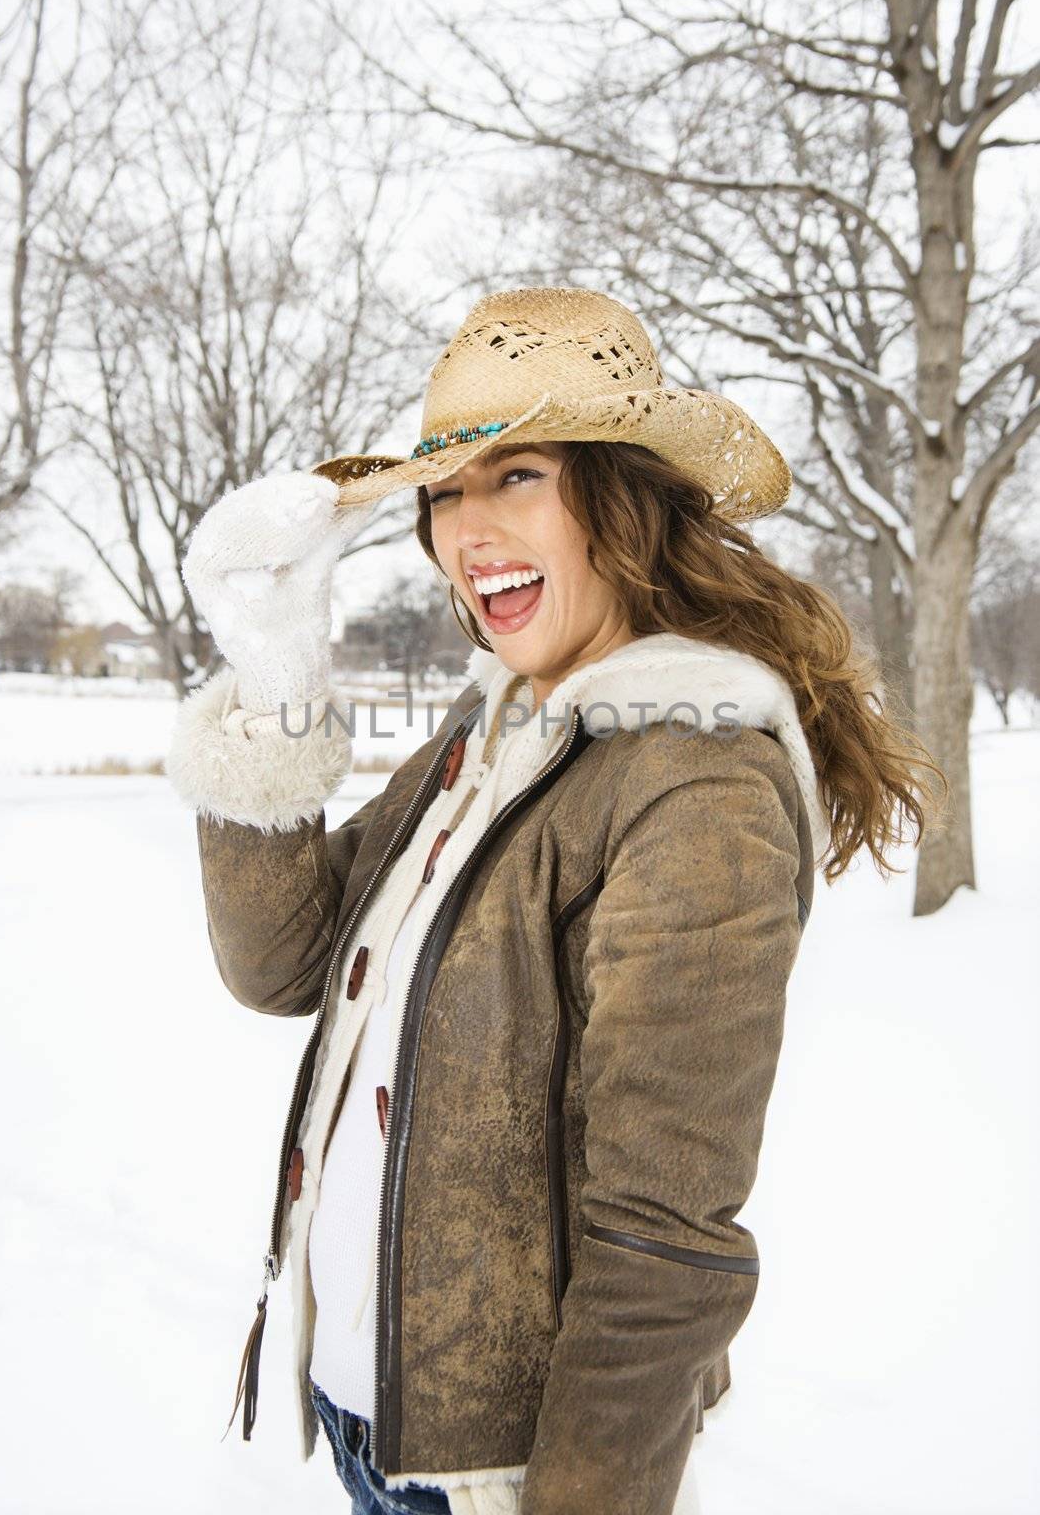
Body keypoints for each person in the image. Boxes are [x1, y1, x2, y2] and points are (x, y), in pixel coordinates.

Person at [166, 287, 943, 1515]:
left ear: (618, 496)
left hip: (499, 1479)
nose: (466, 529)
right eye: (443, 489)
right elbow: (284, 963)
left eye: (515, 474)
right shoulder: (499, 723)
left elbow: (664, 1233)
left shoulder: (691, 771)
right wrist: (275, 676)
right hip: (377, 1420)